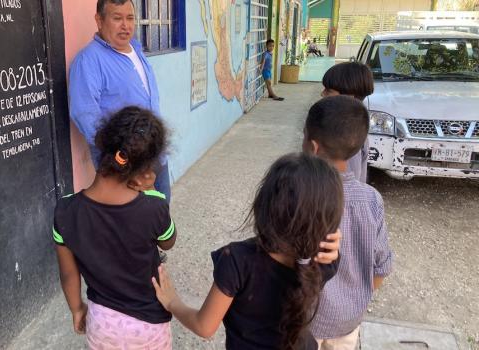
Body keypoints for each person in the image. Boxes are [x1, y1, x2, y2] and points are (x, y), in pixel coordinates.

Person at [152, 153, 344, 350]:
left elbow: (205, 327)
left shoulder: (238, 260)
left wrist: (172, 302)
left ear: (264, 203)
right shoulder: (323, 263)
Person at [53, 106, 177, 349]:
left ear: (102, 143)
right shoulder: (154, 207)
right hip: (149, 325)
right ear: (145, 171)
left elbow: (68, 273)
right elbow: (168, 242)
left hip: (102, 323)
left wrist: (77, 309)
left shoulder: (65, 211)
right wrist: (152, 192)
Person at [303, 96, 393, 350]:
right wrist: (356, 300)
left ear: (313, 146)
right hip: (350, 320)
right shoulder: (372, 199)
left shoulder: (302, 197)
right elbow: (382, 266)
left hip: (307, 320)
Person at [68, 0, 172, 201]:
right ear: (99, 20)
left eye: (130, 18)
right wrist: (121, 157)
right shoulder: (89, 60)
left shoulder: (136, 50)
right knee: (131, 224)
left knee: (161, 214)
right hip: (126, 168)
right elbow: (83, 113)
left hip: (156, 156)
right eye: (117, 18)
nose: (126, 25)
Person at [321, 62, 374, 183]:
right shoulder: (355, 124)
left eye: (328, 91)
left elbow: (349, 183)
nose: (322, 94)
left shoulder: (347, 135)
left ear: (349, 96)